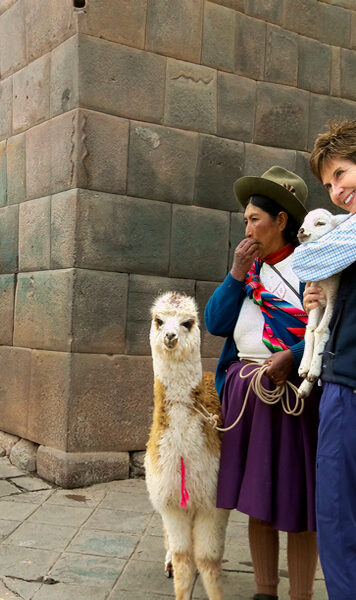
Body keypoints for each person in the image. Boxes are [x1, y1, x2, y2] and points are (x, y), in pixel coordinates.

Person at [204, 167, 320, 600]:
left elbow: (324, 330)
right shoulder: (248, 273)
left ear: (282, 221)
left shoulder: (311, 267)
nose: (247, 227)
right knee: (260, 495)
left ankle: (301, 595)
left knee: (299, 500)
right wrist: (236, 272)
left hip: (294, 398)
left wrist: (292, 357)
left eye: (255, 219)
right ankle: (264, 592)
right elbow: (216, 322)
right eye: (246, 219)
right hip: (247, 397)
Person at [293, 120, 356, 600]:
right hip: (340, 374)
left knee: (338, 518)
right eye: (330, 184)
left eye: (341, 173)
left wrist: (316, 267)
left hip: (348, 389)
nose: (336, 190)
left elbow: (305, 263)